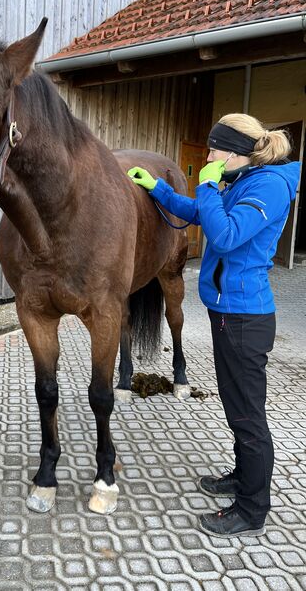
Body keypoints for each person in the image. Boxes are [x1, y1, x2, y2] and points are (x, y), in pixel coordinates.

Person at [128, 113, 301, 537]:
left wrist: (206, 182)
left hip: (246, 317)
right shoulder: (243, 181)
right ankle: (243, 478)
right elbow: (201, 213)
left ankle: (251, 508)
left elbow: (225, 236)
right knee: (236, 407)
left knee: (248, 417)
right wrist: (158, 189)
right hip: (229, 313)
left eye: (213, 151)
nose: (208, 157)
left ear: (236, 153)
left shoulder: (270, 186)